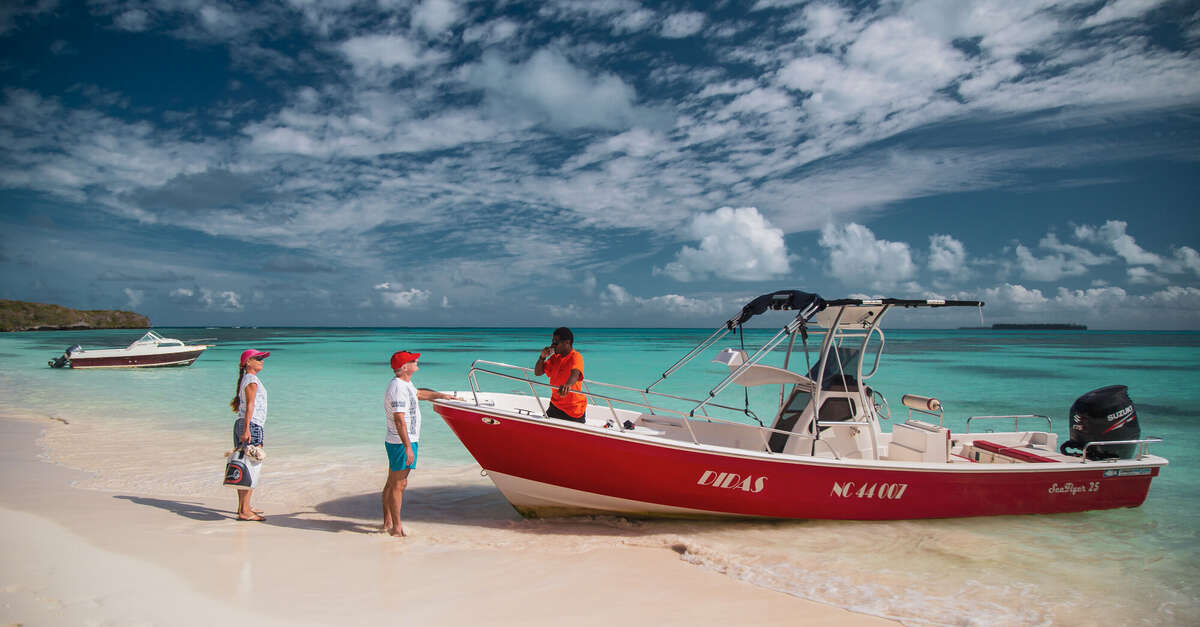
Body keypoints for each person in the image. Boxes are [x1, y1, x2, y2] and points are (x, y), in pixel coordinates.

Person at [382, 350, 455, 538]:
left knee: (393, 482)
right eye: (414, 360)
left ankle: (387, 523)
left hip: (401, 440)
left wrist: (442, 396)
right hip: (401, 441)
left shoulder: (404, 383)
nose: (417, 362)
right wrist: (407, 447)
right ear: (405, 367)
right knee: (399, 483)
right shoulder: (398, 387)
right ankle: (396, 529)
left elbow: (419, 394)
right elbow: (399, 419)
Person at [230, 348, 270, 522]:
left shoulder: (247, 379)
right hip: (251, 426)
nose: (262, 360)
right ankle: (245, 511)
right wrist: (247, 429)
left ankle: (243, 507)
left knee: (244, 465)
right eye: (258, 358)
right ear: (248, 362)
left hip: (245, 424)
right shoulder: (252, 380)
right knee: (251, 467)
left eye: (262, 358)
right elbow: (251, 405)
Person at [534, 327, 586, 423]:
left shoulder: (576, 356)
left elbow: (575, 373)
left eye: (556, 342)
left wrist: (568, 385)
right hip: (555, 406)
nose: (552, 345)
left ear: (567, 342)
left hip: (573, 410)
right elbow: (538, 373)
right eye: (552, 341)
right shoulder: (555, 358)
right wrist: (542, 357)